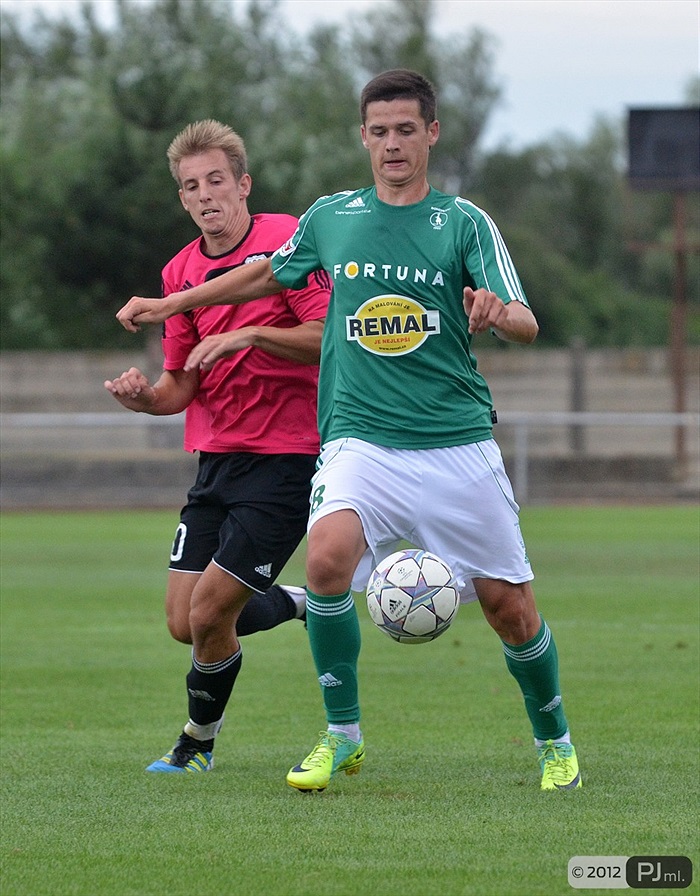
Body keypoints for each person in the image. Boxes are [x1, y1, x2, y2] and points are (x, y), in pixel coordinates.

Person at [115, 72, 582, 793]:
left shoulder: (463, 223)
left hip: (455, 439)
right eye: (379, 130)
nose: (392, 143)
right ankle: (343, 736)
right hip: (358, 439)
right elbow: (263, 276)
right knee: (328, 563)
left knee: (508, 608)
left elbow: (525, 320)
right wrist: (172, 301)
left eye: (406, 129)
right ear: (363, 137)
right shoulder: (333, 216)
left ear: (431, 134)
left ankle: (555, 741)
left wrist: (495, 312)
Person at [105, 119, 330, 773]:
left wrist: (251, 336)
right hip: (216, 463)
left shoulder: (288, 239)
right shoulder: (179, 272)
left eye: (215, 181)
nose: (205, 196)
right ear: (182, 197)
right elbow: (180, 384)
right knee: (186, 622)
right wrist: (144, 397)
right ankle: (296, 601)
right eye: (190, 186)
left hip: (287, 456)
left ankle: (196, 743)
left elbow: (326, 333)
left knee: (209, 611)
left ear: (243, 185)